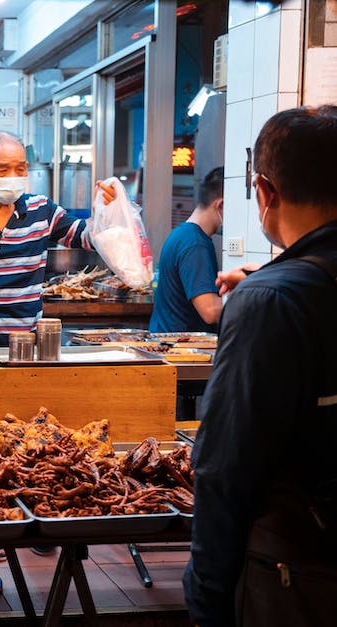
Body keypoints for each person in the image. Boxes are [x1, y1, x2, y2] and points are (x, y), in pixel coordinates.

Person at [183, 106, 337, 627]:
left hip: (301, 571)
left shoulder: (268, 300)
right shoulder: (278, 287)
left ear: (265, 191)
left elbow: (226, 465)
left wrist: (206, 594)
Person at [0, 131, 94, 347]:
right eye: (3, 170)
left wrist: (108, 211)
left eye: (20, 169)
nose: (13, 176)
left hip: (29, 343)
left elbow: (86, 238)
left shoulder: (42, 210)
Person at [148, 167, 224, 333]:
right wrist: (252, 303)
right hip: (178, 350)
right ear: (221, 205)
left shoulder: (181, 234)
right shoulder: (194, 244)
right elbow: (210, 311)